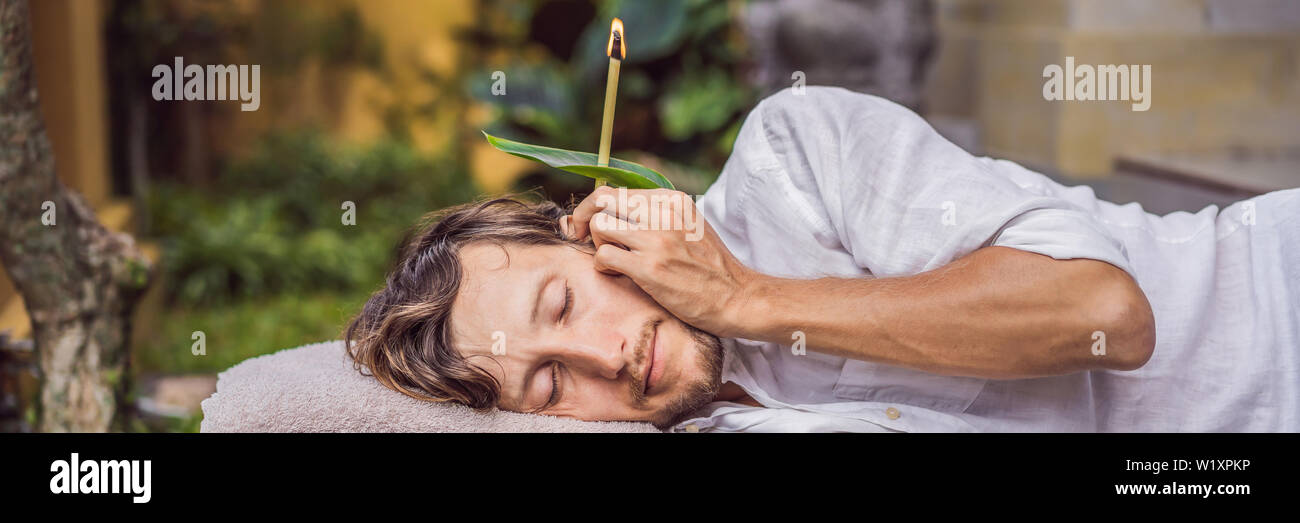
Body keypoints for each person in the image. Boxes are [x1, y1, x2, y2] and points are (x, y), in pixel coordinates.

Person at [345, 87, 1300, 432]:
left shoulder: (793, 158)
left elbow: (1105, 316)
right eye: (550, 388)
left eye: (562, 308)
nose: (603, 360)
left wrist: (745, 298)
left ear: (592, 232)